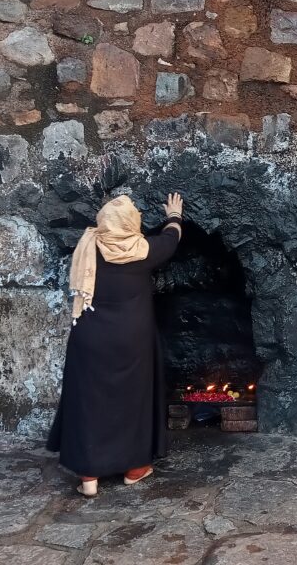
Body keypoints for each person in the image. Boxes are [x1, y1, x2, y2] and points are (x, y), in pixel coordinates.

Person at [47, 193, 184, 497]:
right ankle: (135, 469)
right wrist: (174, 215)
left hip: (89, 338)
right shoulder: (144, 250)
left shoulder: (88, 246)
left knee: (89, 401)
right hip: (132, 340)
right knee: (133, 399)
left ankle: (89, 476)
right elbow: (171, 239)